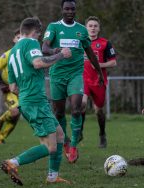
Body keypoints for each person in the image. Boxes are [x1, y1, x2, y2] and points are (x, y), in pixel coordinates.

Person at [0, 17, 72, 186]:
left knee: (59, 134)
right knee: (51, 147)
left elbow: (12, 87)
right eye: (39, 35)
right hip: (36, 101)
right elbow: (38, 63)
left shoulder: (12, 53)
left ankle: (52, 177)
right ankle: (12, 162)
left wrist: (26, 93)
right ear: (35, 33)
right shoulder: (31, 43)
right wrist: (61, 54)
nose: (39, 39)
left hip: (27, 101)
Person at [42, 0, 104, 163]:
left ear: (76, 11)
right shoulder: (54, 27)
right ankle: (66, 143)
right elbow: (44, 48)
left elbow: (90, 52)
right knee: (59, 113)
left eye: (73, 9)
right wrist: (57, 51)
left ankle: (74, 146)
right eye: (67, 9)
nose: (70, 11)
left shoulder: (81, 30)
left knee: (77, 108)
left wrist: (99, 72)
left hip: (76, 75)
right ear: (62, 10)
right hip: (57, 75)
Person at [81, 16, 117, 148]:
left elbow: (113, 62)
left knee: (99, 111)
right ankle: (79, 130)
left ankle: (102, 134)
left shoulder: (105, 43)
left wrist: (98, 65)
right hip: (83, 79)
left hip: (99, 81)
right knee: (82, 103)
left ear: (99, 28)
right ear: (86, 28)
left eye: (95, 26)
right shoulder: (80, 42)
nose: (93, 28)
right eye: (90, 26)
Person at [0, 29, 21, 144]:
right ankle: (0, 121)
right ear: (14, 40)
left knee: (16, 117)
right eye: (18, 37)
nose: (20, 40)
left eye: (22, 37)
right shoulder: (8, 54)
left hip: (23, 89)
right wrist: (2, 84)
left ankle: (1, 138)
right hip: (10, 90)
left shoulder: (27, 55)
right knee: (15, 112)